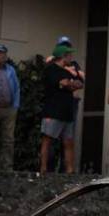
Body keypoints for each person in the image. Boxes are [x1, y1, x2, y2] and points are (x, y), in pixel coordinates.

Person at [39, 42, 83, 173]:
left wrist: (71, 83)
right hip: (53, 111)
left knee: (68, 142)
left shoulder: (67, 71)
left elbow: (79, 83)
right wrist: (70, 84)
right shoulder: (50, 69)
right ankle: (43, 169)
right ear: (63, 56)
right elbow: (63, 83)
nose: (71, 57)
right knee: (47, 140)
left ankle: (70, 171)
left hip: (67, 112)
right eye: (69, 55)